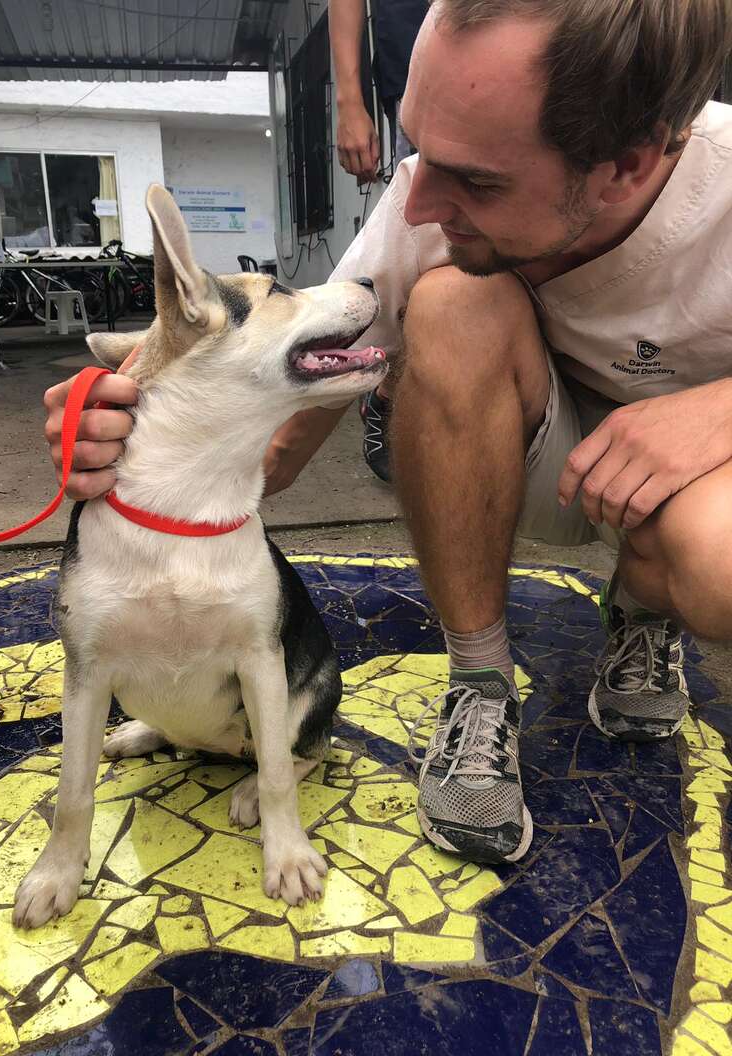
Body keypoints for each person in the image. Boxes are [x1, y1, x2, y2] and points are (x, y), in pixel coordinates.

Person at [44, 0, 732, 865]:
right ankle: (481, 680)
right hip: (545, 462)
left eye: (476, 180)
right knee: (448, 300)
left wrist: (716, 412)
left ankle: (646, 605)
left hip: (693, 485)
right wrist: (141, 436)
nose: (417, 204)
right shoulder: (422, 201)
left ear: (625, 167)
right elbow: (279, 442)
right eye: (418, 148)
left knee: (720, 559)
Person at [329, 0, 428, 482]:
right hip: (416, 64)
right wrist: (349, 98)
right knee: (434, 247)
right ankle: (387, 392)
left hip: (532, 51)